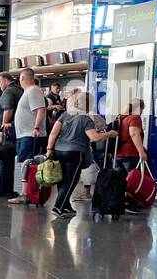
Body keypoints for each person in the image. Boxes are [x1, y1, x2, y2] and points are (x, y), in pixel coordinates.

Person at [45, 87, 117, 219]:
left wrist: (49, 149)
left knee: (62, 179)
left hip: (59, 150)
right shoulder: (86, 119)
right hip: (75, 153)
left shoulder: (66, 114)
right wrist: (110, 134)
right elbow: (94, 137)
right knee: (70, 181)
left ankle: (66, 206)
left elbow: (54, 133)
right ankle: (59, 207)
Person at [6, 69, 47, 204]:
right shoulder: (28, 92)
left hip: (30, 134)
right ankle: (24, 192)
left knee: (27, 163)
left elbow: (40, 110)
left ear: (22, 78)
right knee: (24, 162)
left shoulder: (33, 91)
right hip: (24, 134)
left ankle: (25, 194)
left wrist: (36, 128)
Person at [115, 97, 148, 175]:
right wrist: (141, 152)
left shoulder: (121, 117)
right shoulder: (135, 118)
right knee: (133, 180)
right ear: (139, 108)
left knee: (119, 181)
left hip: (118, 153)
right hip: (130, 154)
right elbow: (134, 134)